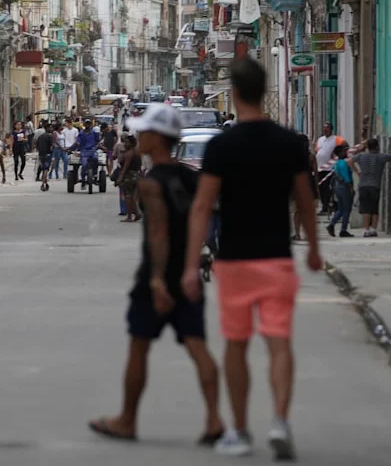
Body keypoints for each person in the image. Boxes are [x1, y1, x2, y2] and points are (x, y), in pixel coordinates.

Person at [184, 57, 322, 460]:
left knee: (236, 344)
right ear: (264, 91)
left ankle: (241, 431)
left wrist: (191, 264)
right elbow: (305, 201)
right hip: (277, 259)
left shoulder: (221, 147)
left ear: (234, 94)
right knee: (279, 342)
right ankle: (279, 421)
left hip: (234, 261)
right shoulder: (289, 143)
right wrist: (314, 248)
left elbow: (202, 206)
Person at [89, 103, 225, 445]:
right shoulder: (191, 177)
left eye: (145, 132)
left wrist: (156, 280)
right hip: (188, 272)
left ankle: (127, 420)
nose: (140, 137)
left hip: (158, 276)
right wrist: (196, 261)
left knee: (139, 347)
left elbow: (159, 233)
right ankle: (214, 419)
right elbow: (207, 215)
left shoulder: (151, 183)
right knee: (197, 346)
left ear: (158, 138)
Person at [353, 138, 391, 238]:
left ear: (368, 147)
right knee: (374, 209)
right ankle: (373, 229)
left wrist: (357, 171)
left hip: (363, 185)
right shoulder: (382, 157)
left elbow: (349, 161)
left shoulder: (361, 156)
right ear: (377, 146)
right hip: (375, 186)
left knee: (366, 209)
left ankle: (366, 230)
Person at [291, 136, 318, 243]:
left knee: (297, 210)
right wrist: (317, 187)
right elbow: (316, 173)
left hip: (296, 184)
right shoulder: (311, 157)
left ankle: (297, 233)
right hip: (309, 183)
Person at [314, 123, 345, 215]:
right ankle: (324, 206)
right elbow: (317, 151)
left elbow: (345, 146)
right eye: (324, 128)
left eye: (327, 128)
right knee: (321, 188)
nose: (325, 130)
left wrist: (336, 154)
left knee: (329, 188)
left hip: (330, 169)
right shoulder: (320, 139)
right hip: (320, 168)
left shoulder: (336, 139)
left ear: (331, 129)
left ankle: (330, 207)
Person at [326, 143, 355, 238]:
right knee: (347, 209)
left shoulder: (337, 163)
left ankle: (332, 224)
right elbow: (346, 177)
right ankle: (343, 230)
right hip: (345, 187)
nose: (346, 152)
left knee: (341, 209)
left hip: (338, 187)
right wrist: (351, 188)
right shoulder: (343, 163)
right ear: (340, 153)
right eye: (344, 151)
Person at [116, 135, 142, 223]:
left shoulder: (129, 153)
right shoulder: (137, 152)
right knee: (134, 196)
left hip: (129, 176)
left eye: (127, 142)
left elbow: (125, 167)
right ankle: (137, 213)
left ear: (131, 143)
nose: (125, 144)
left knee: (128, 196)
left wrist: (120, 177)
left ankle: (129, 216)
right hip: (136, 175)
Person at [74, 119, 99, 188]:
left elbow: (97, 141)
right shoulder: (81, 133)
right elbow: (78, 141)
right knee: (84, 164)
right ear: (84, 125)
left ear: (90, 125)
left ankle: (95, 174)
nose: (87, 125)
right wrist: (77, 144)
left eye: (89, 124)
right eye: (86, 123)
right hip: (84, 151)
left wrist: (96, 147)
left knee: (96, 159)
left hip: (92, 150)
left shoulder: (94, 133)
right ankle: (83, 179)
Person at [35, 124, 54, 189]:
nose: (51, 129)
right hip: (47, 154)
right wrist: (52, 155)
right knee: (46, 169)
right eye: (50, 128)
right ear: (47, 128)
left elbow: (37, 146)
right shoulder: (49, 136)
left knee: (43, 169)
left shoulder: (40, 137)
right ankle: (43, 184)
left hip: (41, 155)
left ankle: (45, 182)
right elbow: (51, 147)